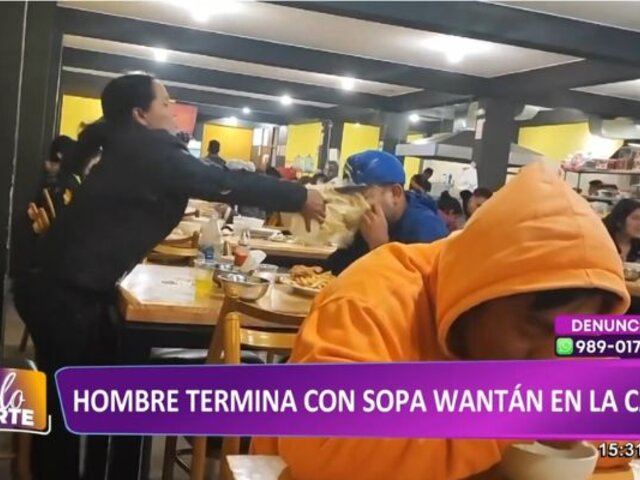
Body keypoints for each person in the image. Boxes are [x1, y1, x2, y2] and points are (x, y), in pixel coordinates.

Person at [17, 73, 325, 480]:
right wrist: (299, 195)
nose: (172, 110)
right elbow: (222, 182)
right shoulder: (149, 150)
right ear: (140, 113)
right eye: (165, 103)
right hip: (63, 292)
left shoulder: (128, 145)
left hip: (62, 286)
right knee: (67, 410)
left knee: (85, 399)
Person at [253, 162, 630, 479]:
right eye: (535, 328)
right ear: (477, 294)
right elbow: (323, 444)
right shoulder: (371, 295)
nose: (552, 359)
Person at [326, 150, 448, 275]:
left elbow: (421, 284)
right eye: (350, 196)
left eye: (362, 196)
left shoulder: (427, 229)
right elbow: (337, 268)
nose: (354, 204)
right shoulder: (369, 222)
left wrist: (379, 247)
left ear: (395, 194)